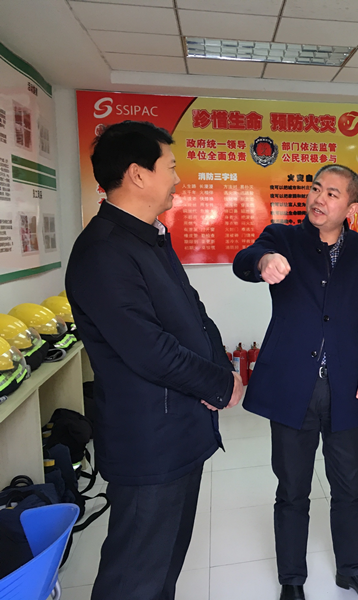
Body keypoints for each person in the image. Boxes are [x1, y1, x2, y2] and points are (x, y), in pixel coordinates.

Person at [66, 121, 243, 600]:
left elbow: (194, 314)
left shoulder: (148, 238)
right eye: (171, 167)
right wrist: (218, 385)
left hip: (180, 431)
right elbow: (150, 350)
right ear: (138, 174)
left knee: (163, 569)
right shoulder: (104, 251)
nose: (178, 178)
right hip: (150, 443)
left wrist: (222, 371)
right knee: (136, 577)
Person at [232, 164, 358, 600]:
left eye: (333, 194)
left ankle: (352, 570)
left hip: (345, 386)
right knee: (292, 489)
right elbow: (245, 260)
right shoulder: (282, 238)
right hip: (291, 386)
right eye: (317, 189)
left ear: (352, 207)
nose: (319, 199)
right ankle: (292, 580)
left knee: (349, 486)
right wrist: (263, 261)